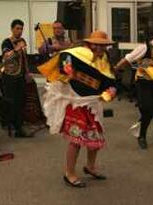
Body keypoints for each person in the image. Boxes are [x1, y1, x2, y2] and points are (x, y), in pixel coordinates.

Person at [40, 31, 116, 188]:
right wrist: (69, 70)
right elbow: (64, 62)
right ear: (89, 44)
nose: (100, 48)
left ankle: (90, 167)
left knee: (94, 137)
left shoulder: (104, 60)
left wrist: (112, 90)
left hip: (93, 102)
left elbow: (110, 80)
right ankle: (69, 173)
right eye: (96, 44)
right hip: (76, 101)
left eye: (103, 45)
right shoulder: (75, 53)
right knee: (76, 139)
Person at [114, 26, 153, 149]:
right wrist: (115, 69)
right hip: (144, 81)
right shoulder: (145, 47)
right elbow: (128, 58)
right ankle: (141, 136)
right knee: (147, 108)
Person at [1, 19, 32, 138]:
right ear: (12, 29)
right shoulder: (6, 42)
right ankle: (13, 125)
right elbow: (6, 57)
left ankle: (19, 126)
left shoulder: (23, 41)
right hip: (10, 76)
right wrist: (16, 49)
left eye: (21, 29)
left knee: (21, 100)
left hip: (21, 75)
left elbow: (24, 58)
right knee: (11, 101)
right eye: (17, 28)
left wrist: (27, 72)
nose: (19, 31)